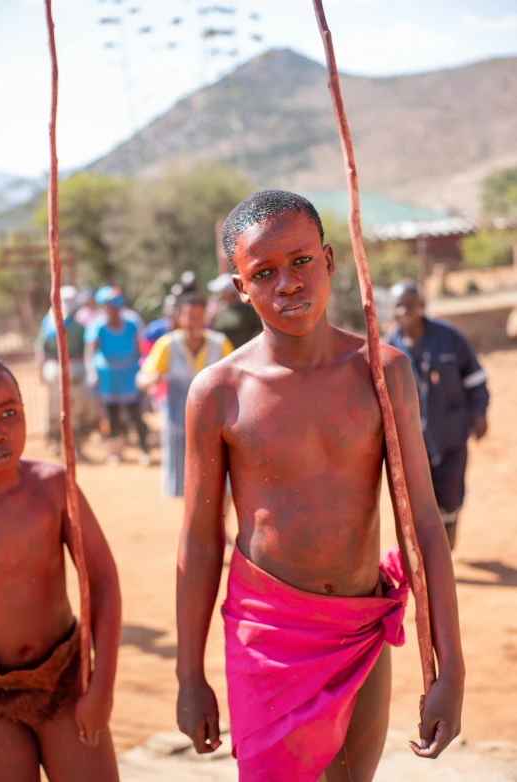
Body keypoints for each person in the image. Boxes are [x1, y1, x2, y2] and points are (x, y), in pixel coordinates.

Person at [176, 191, 464, 781]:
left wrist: (451, 671)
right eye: (264, 273)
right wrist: (188, 676)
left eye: (301, 261)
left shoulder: (382, 373)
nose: (287, 283)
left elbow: (425, 525)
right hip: (267, 640)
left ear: (331, 259)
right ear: (240, 288)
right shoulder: (219, 392)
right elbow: (200, 543)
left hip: (360, 627)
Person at [0, 359, 121, 781]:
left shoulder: (53, 487)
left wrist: (100, 686)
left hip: (68, 681)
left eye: (9, 412)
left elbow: (103, 582)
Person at [386, 280, 489, 550]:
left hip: (451, 434)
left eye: (409, 305)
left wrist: (480, 412)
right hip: (413, 442)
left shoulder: (448, 337)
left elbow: (475, 376)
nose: (403, 312)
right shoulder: (389, 349)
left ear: (422, 306)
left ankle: (451, 525)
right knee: (421, 499)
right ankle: (435, 549)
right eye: (398, 307)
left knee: (451, 494)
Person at [137, 293, 234, 497]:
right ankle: (199, 528)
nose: (194, 323)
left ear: (207, 318)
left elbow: (236, 380)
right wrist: (152, 379)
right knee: (187, 483)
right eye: (189, 317)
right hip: (179, 426)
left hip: (215, 424)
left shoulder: (220, 344)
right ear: (179, 318)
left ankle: (220, 528)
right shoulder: (167, 345)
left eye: (199, 317)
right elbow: (142, 378)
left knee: (221, 479)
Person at [85, 287, 150, 465]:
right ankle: (115, 451)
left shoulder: (131, 323)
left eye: (116, 306)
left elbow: (140, 348)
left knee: (136, 414)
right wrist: (91, 373)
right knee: (111, 416)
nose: (113, 310)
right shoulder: (96, 327)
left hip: (130, 375)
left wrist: (144, 368)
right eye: (109, 306)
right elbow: (90, 352)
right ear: (103, 307)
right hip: (108, 378)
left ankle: (144, 449)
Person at [35, 286, 97, 458]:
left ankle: (75, 445)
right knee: (58, 409)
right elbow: (41, 350)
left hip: (75, 372)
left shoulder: (80, 326)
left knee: (76, 411)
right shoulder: (49, 325)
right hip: (57, 372)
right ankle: (57, 441)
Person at [208, 272, 262, 349]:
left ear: (229, 293)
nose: (219, 294)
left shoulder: (246, 309)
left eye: (222, 292)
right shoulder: (218, 311)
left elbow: (258, 329)